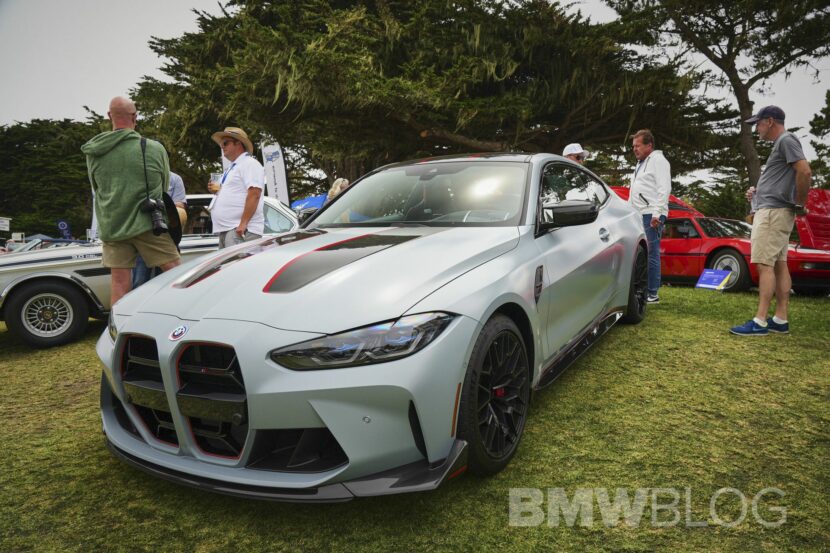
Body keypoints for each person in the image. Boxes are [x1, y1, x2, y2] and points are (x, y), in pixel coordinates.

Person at [82, 96, 181, 306]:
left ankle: (119, 331)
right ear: (135, 117)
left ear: (110, 116)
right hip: (148, 223)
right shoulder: (153, 148)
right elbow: (163, 188)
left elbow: (96, 187)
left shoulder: (94, 152)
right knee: (177, 275)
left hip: (113, 225)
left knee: (119, 284)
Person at [730, 106, 812, 336]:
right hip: (775, 210)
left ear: (770, 121)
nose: (756, 128)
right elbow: (784, 178)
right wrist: (758, 192)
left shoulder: (786, 140)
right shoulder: (783, 143)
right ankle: (780, 319)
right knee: (778, 263)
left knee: (764, 264)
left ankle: (760, 321)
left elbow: (804, 171)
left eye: (758, 123)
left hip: (773, 213)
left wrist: (800, 203)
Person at [628, 129, 671, 304]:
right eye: (633, 146)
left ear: (649, 145)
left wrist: (657, 214)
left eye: (638, 146)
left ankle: (652, 293)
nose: (634, 149)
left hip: (651, 213)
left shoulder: (659, 161)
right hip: (638, 214)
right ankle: (643, 289)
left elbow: (664, 188)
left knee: (652, 253)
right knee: (642, 253)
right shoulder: (640, 163)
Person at [208, 127, 265, 249]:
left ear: (238, 143)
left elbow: (254, 193)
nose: (222, 147)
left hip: (240, 229)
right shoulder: (233, 167)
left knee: (236, 267)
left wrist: (243, 223)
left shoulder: (249, 163)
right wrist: (217, 192)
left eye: (225, 143)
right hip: (229, 229)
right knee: (229, 267)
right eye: (221, 144)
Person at [132, 172, 188, 288]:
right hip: (143, 235)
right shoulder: (139, 175)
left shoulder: (175, 178)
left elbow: (180, 208)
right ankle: (141, 306)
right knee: (139, 282)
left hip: (168, 237)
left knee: (170, 281)